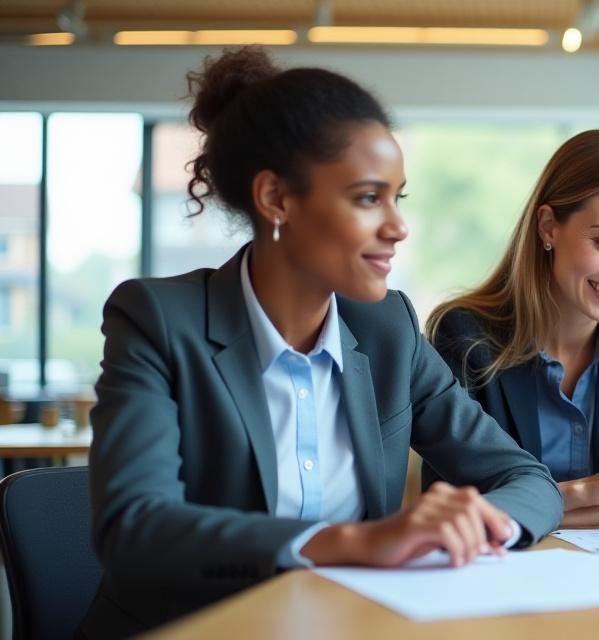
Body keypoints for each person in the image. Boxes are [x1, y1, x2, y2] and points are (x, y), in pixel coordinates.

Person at [82, 47, 562, 636]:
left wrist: (475, 527)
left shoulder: (389, 329)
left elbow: (528, 480)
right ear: (277, 199)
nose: (397, 226)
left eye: (397, 197)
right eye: (367, 198)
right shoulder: (158, 319)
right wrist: (355, 541)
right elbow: (134, 530)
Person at [424, 130, 599, 527]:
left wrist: (537, 512)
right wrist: (584, 492)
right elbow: (456, 504)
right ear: (549, 226)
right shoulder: (465, 334)